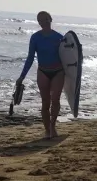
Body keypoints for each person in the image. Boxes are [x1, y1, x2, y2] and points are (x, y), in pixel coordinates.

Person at [16, 11, 65, 139]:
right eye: (40, 20)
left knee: (55, 100)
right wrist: (22, 76)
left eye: (45, 19)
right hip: (43, 71)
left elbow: (68, 58)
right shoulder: (35, 38)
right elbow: (30, 58)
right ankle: (47, 129)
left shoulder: (60, 37)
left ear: (50, 19)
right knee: (45, 102)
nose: (43, 22)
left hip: (58, 72)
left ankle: (53, 126)